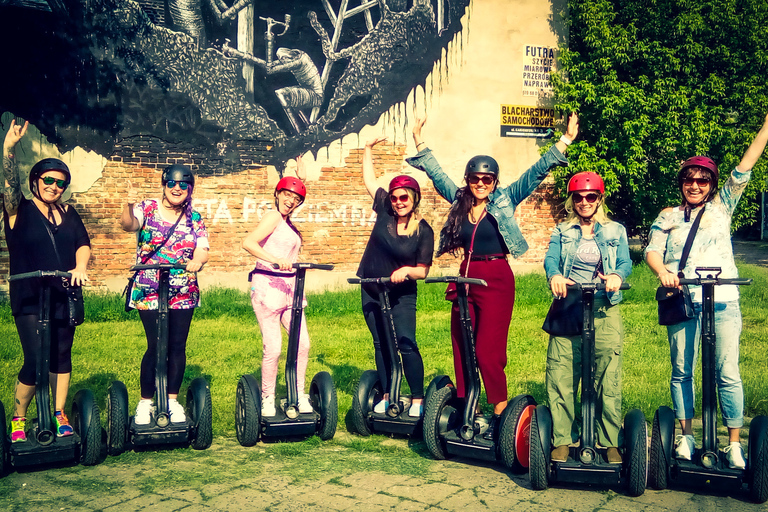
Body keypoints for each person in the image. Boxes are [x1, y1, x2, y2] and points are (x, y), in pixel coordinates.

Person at [406, 113, 579, 438]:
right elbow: (437, 174)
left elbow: (535, 173)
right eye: (475, 178)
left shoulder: (505, 199)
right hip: (465, 279)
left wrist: (565, 141)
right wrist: (419, 139)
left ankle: (502, 414)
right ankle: (467, 409)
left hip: (496, 277)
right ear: (469, 179)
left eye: (487, 179)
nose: (481, 184)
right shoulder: (460, 199)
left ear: (495, 181)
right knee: (461, 346)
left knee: (487, 351)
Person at [644, 112, 768, 470]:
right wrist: (663, 271)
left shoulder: (723, 205)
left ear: (712, 184)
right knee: (682, 369)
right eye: (689, 180)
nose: (695, 185)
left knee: (727, 371)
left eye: (702, 180)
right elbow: (652, 251)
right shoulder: (668, 214)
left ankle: (733, 443)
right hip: (683, 300)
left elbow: (747, 163)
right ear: (681, 183)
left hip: (724, 300)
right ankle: (686, 435)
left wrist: (765, 127)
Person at [3, 119, 91, 440]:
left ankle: (58, 413)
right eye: (49, 180)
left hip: (63, 294)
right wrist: (9, 149)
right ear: (36, 180)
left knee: (61, 355)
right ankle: (18, 419)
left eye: (60, 183)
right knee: (35, 356)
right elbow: (9, 186)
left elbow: (82, 244)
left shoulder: (69, 213)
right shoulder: (18, 210)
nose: (54, 187)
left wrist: (80, 267)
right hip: (28, 295)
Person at [543, 172, 631, 464]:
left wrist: (618, 275)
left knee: (608, 375)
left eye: (590, 197)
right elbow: (551, 258)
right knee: (562, 373)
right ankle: (563, 439)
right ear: (572, 200)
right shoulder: (562, 230)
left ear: (599, 199)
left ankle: (608, 442)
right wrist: (554, 275)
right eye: (578, 197)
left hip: (605, 307)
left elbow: (625, 261)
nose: (584, 202)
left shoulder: (615, 230)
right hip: (569, 306)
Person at [120, 164, 209, 425]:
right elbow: (128, 225)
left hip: (183, 288)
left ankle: (171, 400)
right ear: (164, 185)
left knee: (177, 346)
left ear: (190, 189)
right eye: (172, 183)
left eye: (183, 185)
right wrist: (128, 203)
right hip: (148, 288)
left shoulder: (195, 217)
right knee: (156, 345)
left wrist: (197, 261)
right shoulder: (146, 208)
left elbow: (203, 248)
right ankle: (145, 402)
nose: (177, 188)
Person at [357, 137, 434, 417]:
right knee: (381, 343)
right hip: (371, 286)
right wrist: (367, 149)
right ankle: (389, 392)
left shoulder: (423, 230)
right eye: (395, 197)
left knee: (405, 341)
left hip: (402, 294)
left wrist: (406, 271)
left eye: (404, 197)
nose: (399, 202)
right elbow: (369, 180)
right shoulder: (384, 211)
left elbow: (423, 271)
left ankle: (416, 398)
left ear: (414, 200)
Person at [242, 159, 313, 417]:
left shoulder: (289, 223)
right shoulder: (273, 216)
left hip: (290, 291)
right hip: (268, 289)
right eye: (287, 195)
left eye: (296, 198)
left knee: (302, 344)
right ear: (277, 194)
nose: (291, 200)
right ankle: (268, 398)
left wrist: (302, 177)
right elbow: (248, 242)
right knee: (273, 348)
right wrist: (276, 261)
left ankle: (299, 394)